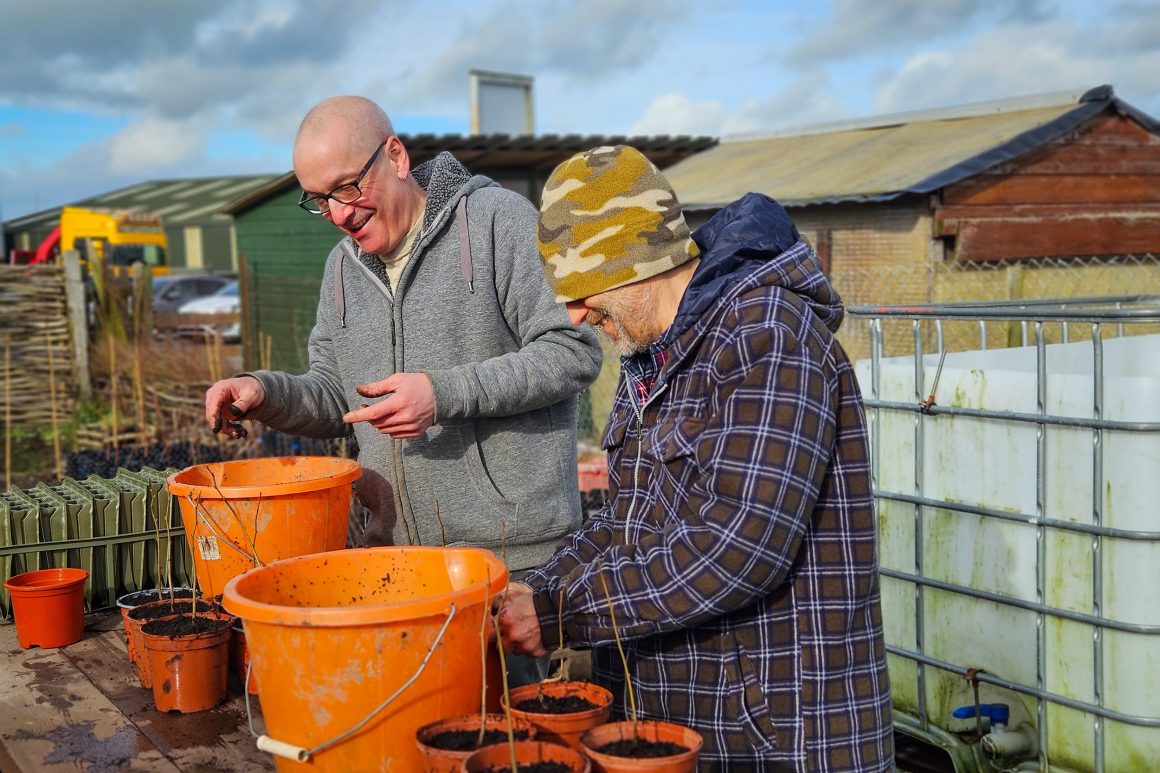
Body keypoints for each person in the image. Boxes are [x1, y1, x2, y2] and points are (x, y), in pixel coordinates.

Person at [497, 145, 894, 770]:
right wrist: (537, 588)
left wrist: (563, 611)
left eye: (583, 289)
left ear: (635, 260)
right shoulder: (651, 356)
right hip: (687, 720)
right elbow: (627, 520)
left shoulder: (766, 337)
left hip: (778, 735)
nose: (575, 314)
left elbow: (739, 548)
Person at [203, 96, 602, 634]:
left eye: (347, 187)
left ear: (395, 157)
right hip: (395, 562)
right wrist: (263, 392)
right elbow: (338, 399)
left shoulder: (495, 222)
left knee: (505, 715)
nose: (339, 214)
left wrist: (444, 395)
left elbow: (572, 351)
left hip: (510, 559)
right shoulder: (341, 269)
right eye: (320, 200)